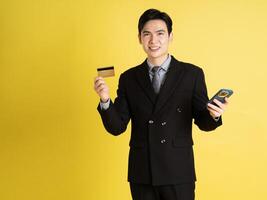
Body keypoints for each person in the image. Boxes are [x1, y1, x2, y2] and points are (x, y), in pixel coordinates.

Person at [94, 8, 229, 200]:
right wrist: (105, 100)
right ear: (139, 38)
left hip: (178, 171)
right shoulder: (129, 78)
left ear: (170, 36)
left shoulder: (192, 74)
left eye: (160, 34)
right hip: (142, 173)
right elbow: (117, 127)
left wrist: (214, 114)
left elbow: (203, 121)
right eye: (146, 34)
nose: (153, 40)